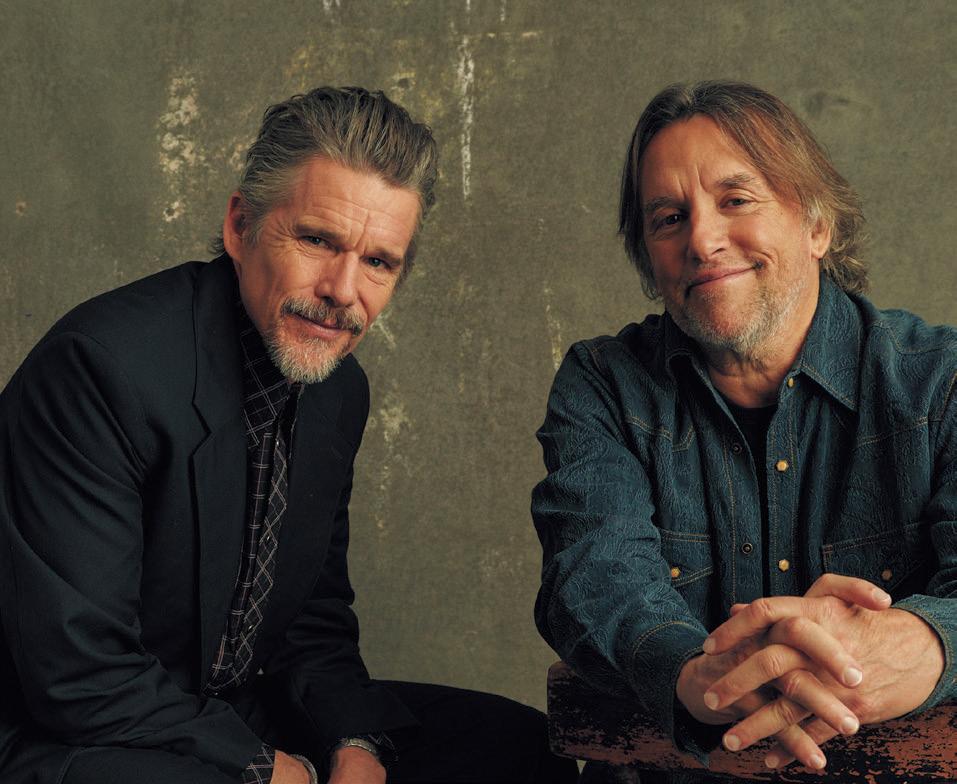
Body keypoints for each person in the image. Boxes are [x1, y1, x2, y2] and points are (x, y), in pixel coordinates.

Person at [0, 86, 579, 784]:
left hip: (224, 711)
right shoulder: (100, 368)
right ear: (239, 226)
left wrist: (353, 741)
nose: (342, 289)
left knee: (518, 746)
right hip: (66, 733)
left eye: (378, 262)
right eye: (316, 240)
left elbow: (311, 617)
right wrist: (266, 768)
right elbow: (77, 673)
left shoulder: (338, 389)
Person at [532, 80, 956, 781]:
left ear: (817, 225)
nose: (701, 240)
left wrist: (924, 644)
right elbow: (594, 576)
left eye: (736, 200)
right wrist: (696, 674)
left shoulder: (940, 382)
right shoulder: (602, 385)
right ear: (649, 259)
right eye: (669, 218)